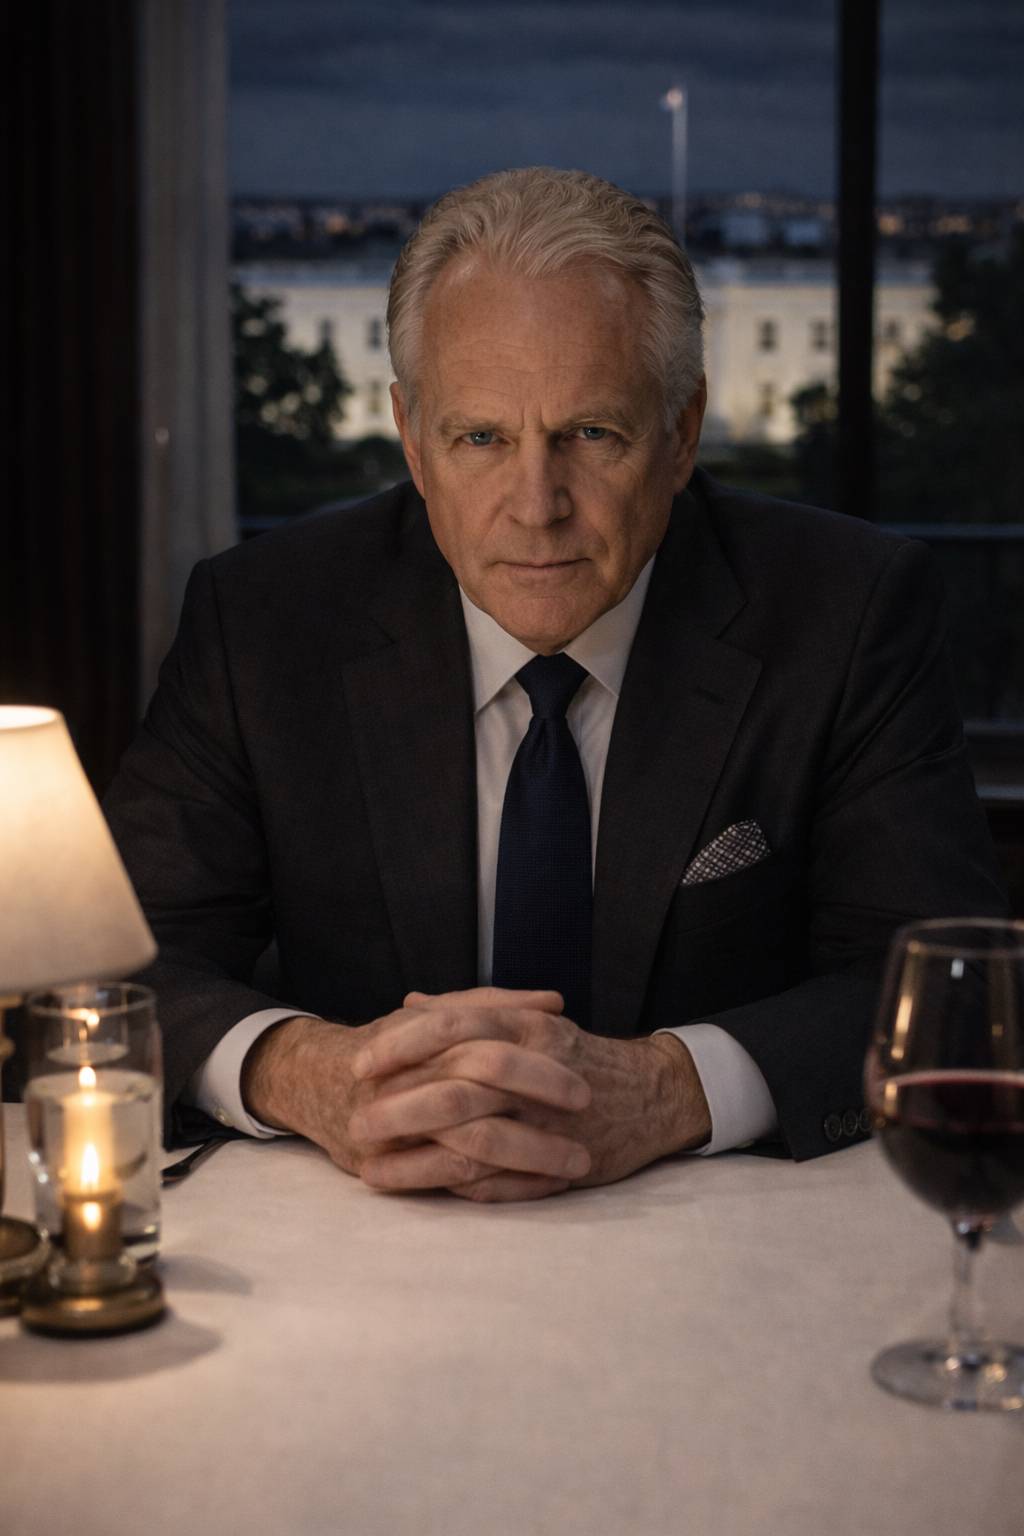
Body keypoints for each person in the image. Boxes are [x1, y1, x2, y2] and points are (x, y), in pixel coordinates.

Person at [105, 168, 1007, 1202]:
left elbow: (935, 988)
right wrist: (306, 1073)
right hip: (360, 1252)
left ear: (679, 434)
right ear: (410, 436)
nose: (536, 506)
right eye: (480, 438)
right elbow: (125, 964)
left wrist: (670, 1089)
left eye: (591, 434)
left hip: (725, 1246)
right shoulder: (262, 620)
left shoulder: (848, 612)